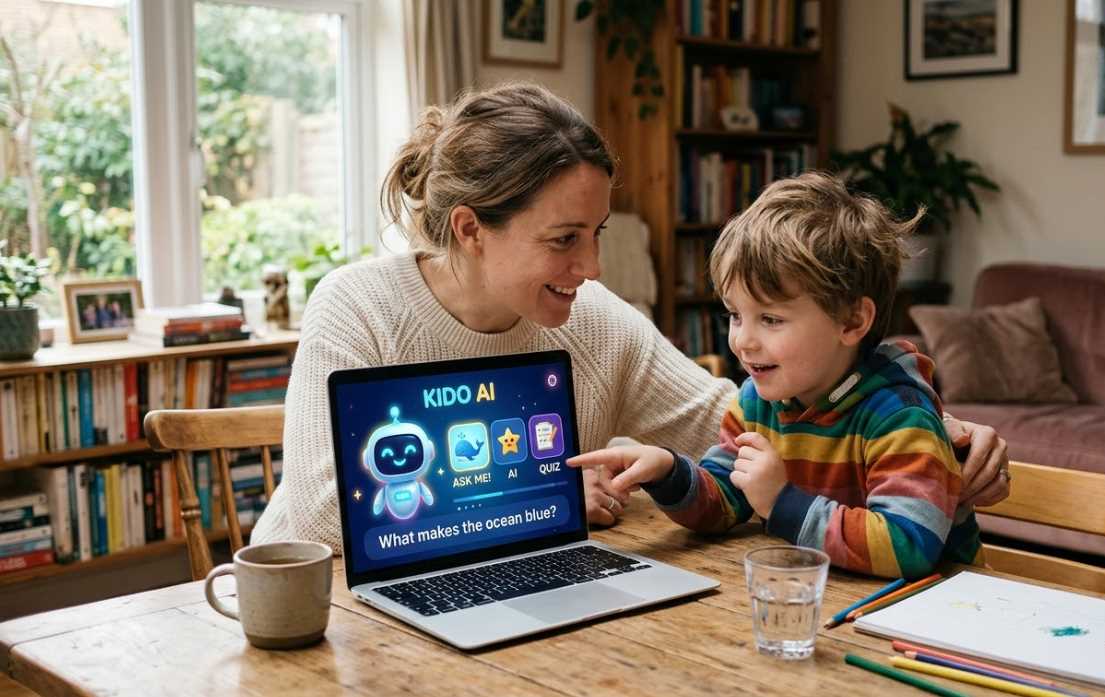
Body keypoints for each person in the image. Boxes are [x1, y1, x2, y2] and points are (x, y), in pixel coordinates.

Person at [250, 83, 1009, 551]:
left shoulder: (592, 320)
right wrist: (530, 500)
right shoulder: (358, 306)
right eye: (563, 239)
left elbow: (746, 421)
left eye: (596, 233)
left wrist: (935, 437)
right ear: (470, 228)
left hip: (507, 596)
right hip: (326, 619)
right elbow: (322, 514)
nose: (592, 267)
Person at [569, 173, 982, 578]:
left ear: (853, 321)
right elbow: (723, 502)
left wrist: (781, 501)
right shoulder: (757, 401)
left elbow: (906, 546)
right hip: (817, 599)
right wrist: (668, 472)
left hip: (928, 616)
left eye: (770, 319)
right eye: (735, 315)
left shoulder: (898, 415)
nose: (743, 342)